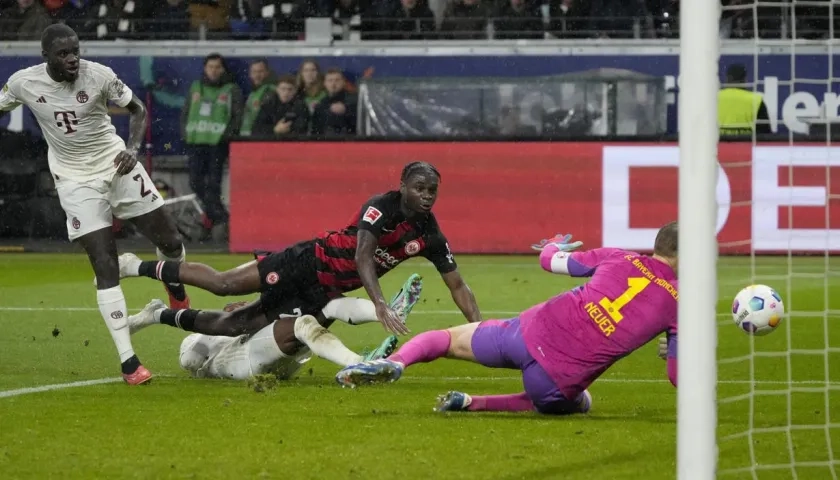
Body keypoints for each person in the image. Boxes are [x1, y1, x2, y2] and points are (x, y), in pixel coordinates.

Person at [0, 24, 191, 385]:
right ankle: (129, 362)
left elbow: (137, 110)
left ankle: (175, 288)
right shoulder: (24, 82)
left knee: (171, 241)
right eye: (63, 54)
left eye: (75, 50)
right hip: (74, 182)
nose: (72, 58)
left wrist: (133, 150)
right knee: (105, 265)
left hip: (116, 164)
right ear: (46, 58)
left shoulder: (100, 75)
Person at [335, 223, 680, 415]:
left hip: (526, 333)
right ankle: (473, 403)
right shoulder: (681, 301)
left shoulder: (619, 256)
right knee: (575, 401)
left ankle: (395, 363)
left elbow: (550, 261)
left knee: (445, 338)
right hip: (555, 379)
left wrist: (553, 243)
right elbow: (677, 376)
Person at [116, 161, 482, 339]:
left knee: (236, 326)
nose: (428, 195)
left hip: (323, 290)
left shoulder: (430, 234)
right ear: (402, 186)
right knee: (223, 284)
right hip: (307, 261)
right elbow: (362, 255)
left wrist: (480, 329)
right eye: (420, 187)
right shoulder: (381, 206)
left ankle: (158, 315)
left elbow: (458, 286)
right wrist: (380, 303)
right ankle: (135, 266)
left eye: (433, 190)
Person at [126, 290, 409, 382]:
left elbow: (221, 324)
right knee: (310, 319)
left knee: (322, 309)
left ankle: (386, 314)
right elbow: (211, 332)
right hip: (247, 360)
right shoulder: (212, 355)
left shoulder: (211, 352)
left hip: (269, 364)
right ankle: (359, 360)